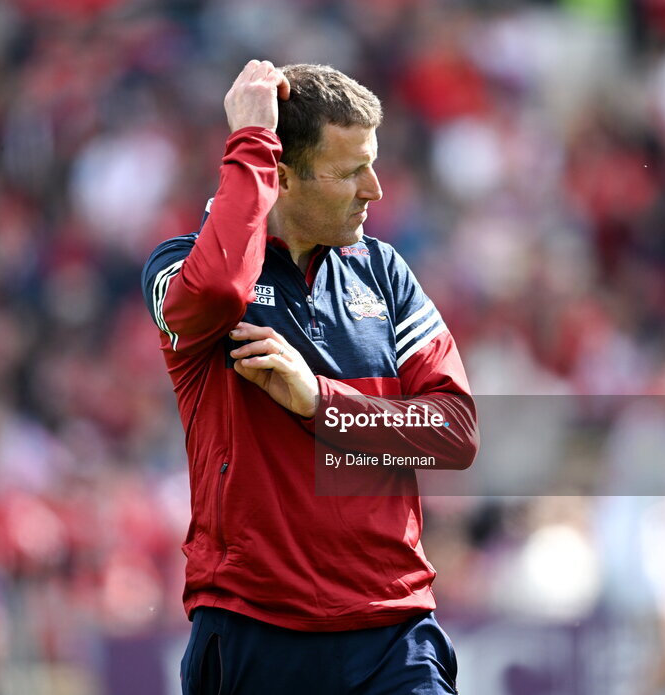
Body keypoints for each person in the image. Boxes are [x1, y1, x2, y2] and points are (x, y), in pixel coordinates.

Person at [141, 60, 478, 694]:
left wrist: (321, 401)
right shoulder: (180, 267)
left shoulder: (385, 274)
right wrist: (249, 141)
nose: (374, 189)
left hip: (392, 631)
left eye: (371, 164)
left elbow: (455, 433)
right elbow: (219, 287)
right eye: (350, 172)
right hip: (254, 631)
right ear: (282, 177)